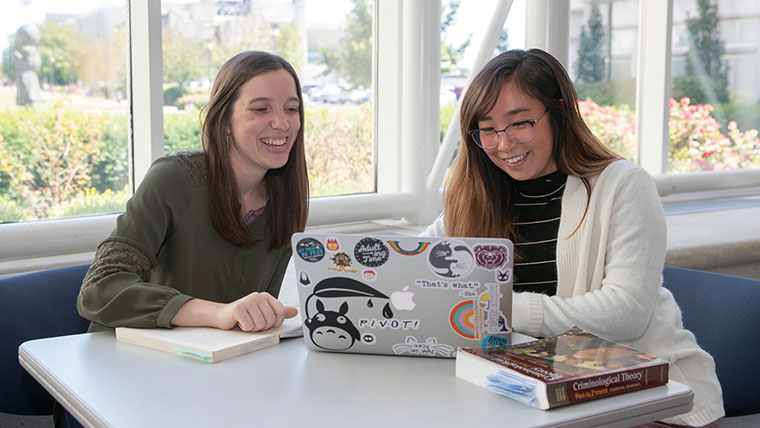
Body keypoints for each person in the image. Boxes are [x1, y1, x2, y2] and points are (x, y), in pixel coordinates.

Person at [421, 49, 723, 427]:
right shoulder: (475, 196)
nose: (503, 142)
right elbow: (418, 267)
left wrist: (499, 309)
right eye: (487, 128)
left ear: (560, 111)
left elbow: (625, 313)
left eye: (519, 123)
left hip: (651, 400)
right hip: (535, 394)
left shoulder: (622, 186)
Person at [78, 51, 308, 334]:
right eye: (261, 109)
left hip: (212, 367)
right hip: (126, 362)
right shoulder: (174, 179)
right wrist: (219, 313)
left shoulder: (285, 201)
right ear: (224, 121)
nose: (282, 124)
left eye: (291, 109)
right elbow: (99, 289)